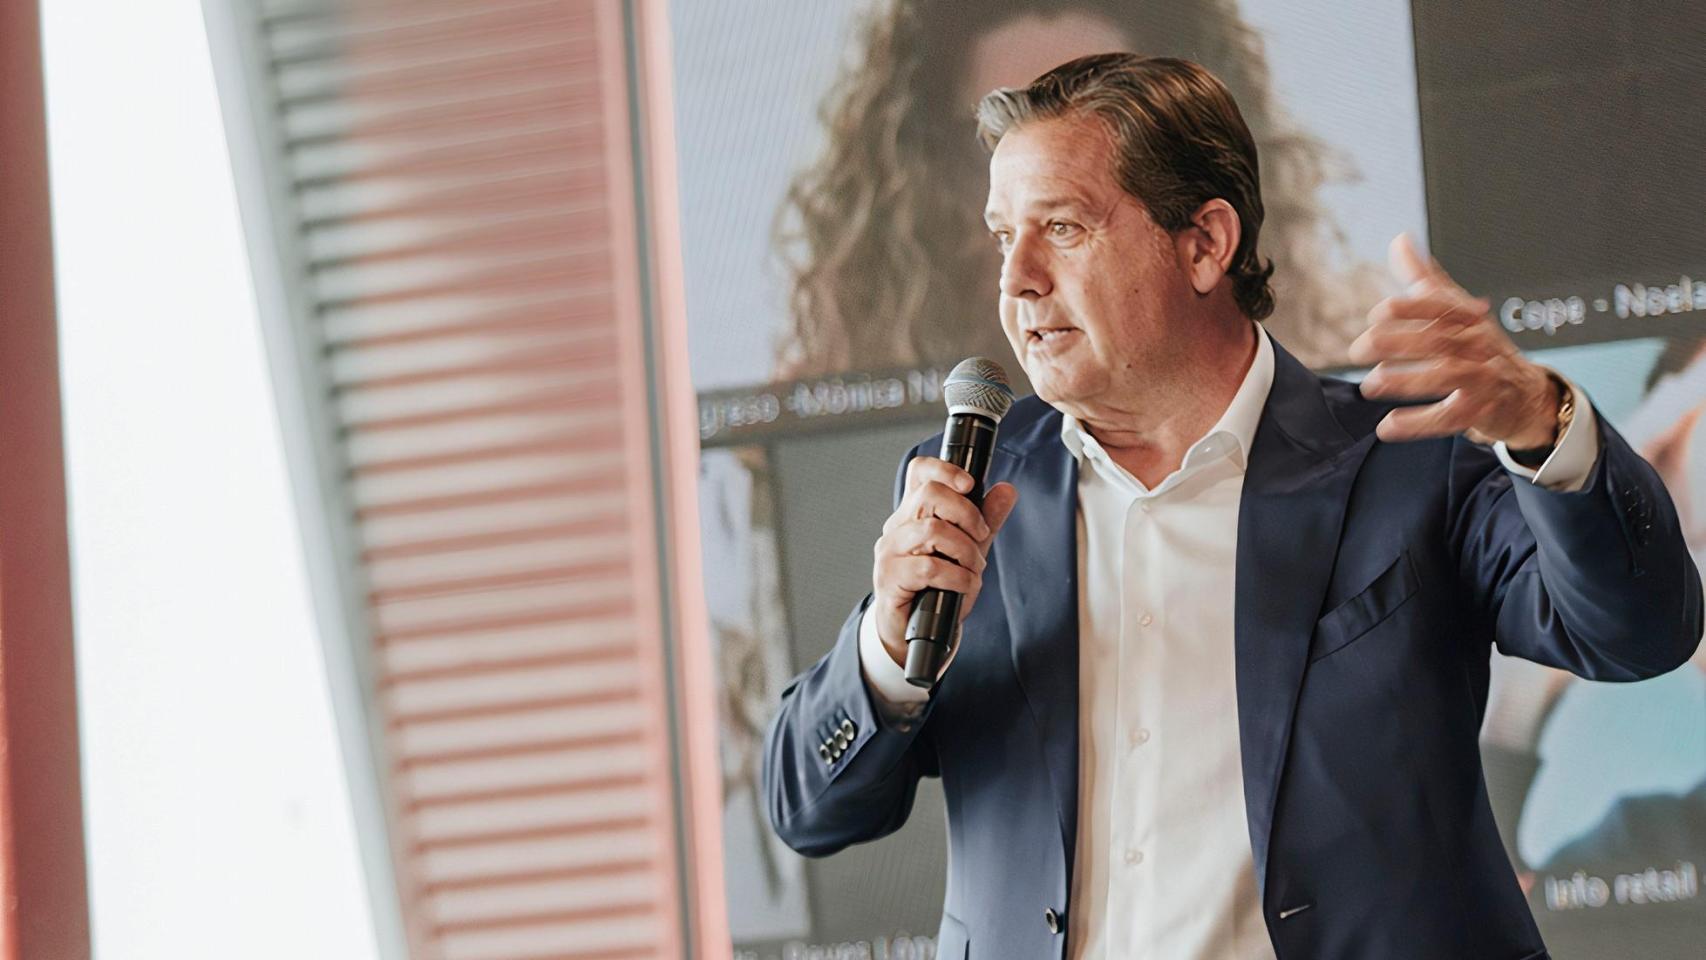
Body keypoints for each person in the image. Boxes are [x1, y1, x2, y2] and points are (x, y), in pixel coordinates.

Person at [761, 54, 1703, 959]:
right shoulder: (966, 490)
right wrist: (888, 649)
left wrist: (1545, 422)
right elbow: (807, 809)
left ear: (1206, 244)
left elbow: (1640, 633)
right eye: (1006, 236)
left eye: (1065, 228)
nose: (1017, 281)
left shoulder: (1408, 458)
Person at [772, 0, 1386, 383]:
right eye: (1000, 137)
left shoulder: (1348, 363)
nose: (1020, 275)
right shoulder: (828, 403)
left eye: (1103, 127)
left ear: (1204, 237)